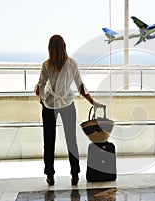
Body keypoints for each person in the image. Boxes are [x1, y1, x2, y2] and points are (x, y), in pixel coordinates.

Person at [35, 34, 103, 186]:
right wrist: (93, 101)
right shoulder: (72, 64)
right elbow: (81, 87)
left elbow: (40, 86)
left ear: (50, 48)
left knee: (49, 141)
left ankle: (50, 175)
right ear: (64, 46)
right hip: (67, 104)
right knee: (71, 140)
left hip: (50, 106)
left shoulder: (46, 65)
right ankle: (75, 174)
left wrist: (41, 100)